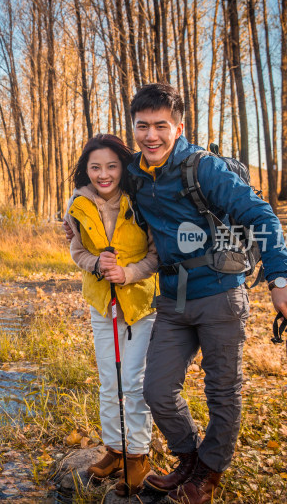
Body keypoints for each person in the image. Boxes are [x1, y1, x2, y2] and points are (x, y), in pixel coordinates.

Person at [126, 83, 287, 504]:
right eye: (142, 126)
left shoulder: (201, 167)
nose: (151, 135)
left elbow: (261, 215)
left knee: (222, 390)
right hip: (171, 299)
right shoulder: (135, 171)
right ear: (133, 126)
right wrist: (73, 221)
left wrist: (278, 280)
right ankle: (189, 458)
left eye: (161, 126)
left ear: (178, 127)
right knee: (156, 390)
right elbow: (102, 189)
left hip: (221, 295)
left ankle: (209, 472)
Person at [64, 134, 159, 496]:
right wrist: (97, 266)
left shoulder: (143, 199)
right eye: (95, 167)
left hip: (139, 304)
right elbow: (77, 250)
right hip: (102, 303)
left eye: (112, 166)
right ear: (86, 170)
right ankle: (115, 449)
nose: (104, 174)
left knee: (134, 383)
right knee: (109, 381)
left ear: (123, 166)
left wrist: (128, 273)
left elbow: (157, 254)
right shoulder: (78, 203)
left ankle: (138, 455)